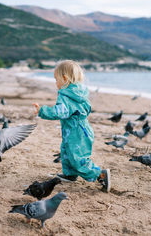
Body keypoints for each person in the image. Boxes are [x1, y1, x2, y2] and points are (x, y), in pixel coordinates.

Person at [33, 60, 111, 192]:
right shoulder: (80, 94)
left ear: (64, 78)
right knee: (66, 151)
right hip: (78, 130)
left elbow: (60, 112)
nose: (55, 83)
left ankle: (100, 174)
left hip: (77, 133)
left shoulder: (65, 95)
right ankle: (70, 174)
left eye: (56, 79)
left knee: (77, 157)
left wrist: (42, 111)